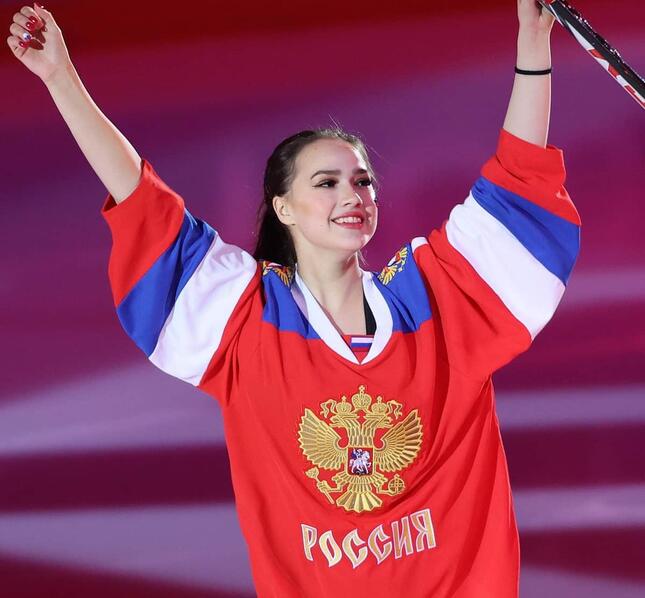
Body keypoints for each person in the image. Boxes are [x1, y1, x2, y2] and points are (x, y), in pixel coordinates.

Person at [7, 1, 581, 596]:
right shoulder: (244, 321)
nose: (353, 195)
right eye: (326, 183)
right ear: (283, 207)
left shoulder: (437, 302)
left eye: (362, 181)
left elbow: (517, 185)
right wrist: (60, 77)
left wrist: (532, 44)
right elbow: (143, 205)